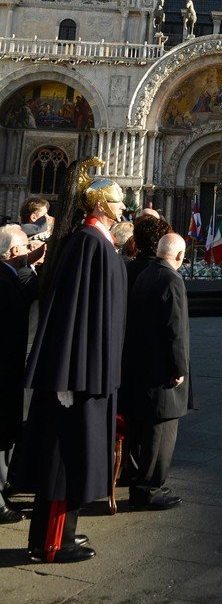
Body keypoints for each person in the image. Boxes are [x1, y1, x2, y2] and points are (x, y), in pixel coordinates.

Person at [21, 159, 128, 563]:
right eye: (118, 199)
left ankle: (67, 533)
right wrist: (69, 377)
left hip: (92, 369)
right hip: (79, 373)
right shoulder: (88, 243)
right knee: (64, 456)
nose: (124, 205)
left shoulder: (97, 241)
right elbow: (72, 315)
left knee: (77, 453)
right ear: (99, 205)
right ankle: (52, 542)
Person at [121, 233, 190, 510]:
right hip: (162, 372)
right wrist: (179, 368)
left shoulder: (146, 273)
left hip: (141, 367)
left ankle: (141, 482)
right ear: (181, 256)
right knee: (161, 432)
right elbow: (175, 330)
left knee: (144, 429)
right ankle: (149, 489)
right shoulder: (172, 280)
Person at [0, 225, 40, 524]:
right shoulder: (3, 280)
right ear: (14, 252)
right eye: (26, 246)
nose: (30, 249)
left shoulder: (10, 276)